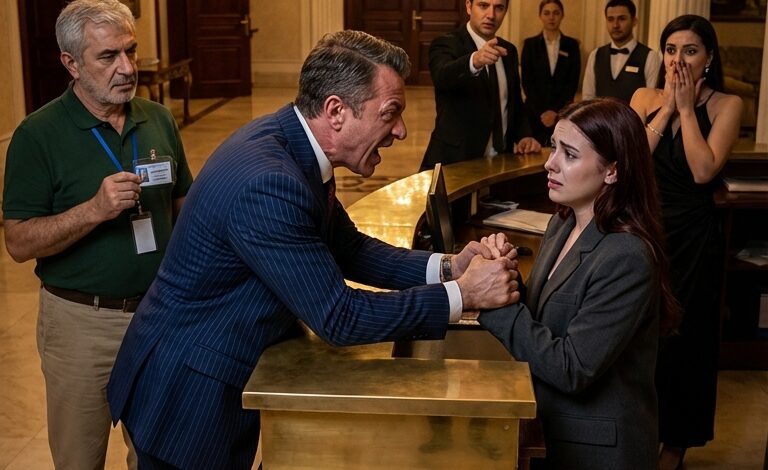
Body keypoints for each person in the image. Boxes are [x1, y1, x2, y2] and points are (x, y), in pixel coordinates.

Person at [107, 30, 521, 470]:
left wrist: (450, 267)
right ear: (336, 111)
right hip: (185, 391)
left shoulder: (295, 144)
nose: (401, 130)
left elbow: (350, 248)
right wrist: (464, 295)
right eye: (390, 113)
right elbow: (339, 317)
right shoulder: (270, 182)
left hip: (206, 370)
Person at [1, 0, 193, 468]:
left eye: (130, 51)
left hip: (157, 315)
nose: (126, 68)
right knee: (80, 457)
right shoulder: (38, 135)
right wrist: (93, 210)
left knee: (156, 453)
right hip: (82, 325)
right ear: (71, 63)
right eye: (108, 56)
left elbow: (182, 205)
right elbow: (18, 242)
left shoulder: (158, 119)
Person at [478, 98, 679, 469]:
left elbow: (573, 368)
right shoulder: (563, 222)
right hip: (552, 428)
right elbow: (543, 315)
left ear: (612, 171)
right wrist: (502, 275)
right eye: (554, 147)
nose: (550, 163)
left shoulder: (627, 255)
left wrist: (493, 301)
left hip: (598, 451)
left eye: (569, 154)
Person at [629, 15, 743, 470]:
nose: (678, 60)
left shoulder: (727, 104)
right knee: (641, 337)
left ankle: (675, 446)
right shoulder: (643, 97)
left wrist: (687, 110)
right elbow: (632, 159)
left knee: (687, 342)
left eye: (690, 51)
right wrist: (667, 108)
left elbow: (702, 170)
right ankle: (637, 434)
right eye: (671, 50)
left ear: (708, 58)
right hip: (644, 231)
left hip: (694, 239)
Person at [420, 0, 541, 172]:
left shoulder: (509, 51)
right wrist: (474, 61)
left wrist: (524, 135)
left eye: (499, 8)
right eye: (483, 6)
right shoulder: (446, 43)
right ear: (469, 7)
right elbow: (442, 76)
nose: (491, 15)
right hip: (455, 161)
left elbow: (514, 101)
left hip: (501, 161)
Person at [521, 0, 581, 146]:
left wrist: (555, 112)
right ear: (540, 16)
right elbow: (527, 82)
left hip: (562, 115)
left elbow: (572, 83)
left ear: (562, 15)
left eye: (556, 13)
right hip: (534, 116)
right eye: (547, 13)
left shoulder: (572, 45)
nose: (551, 17)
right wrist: (542, 112)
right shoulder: (530, 45)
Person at [581, 0, 661, 103]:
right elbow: (587, 99)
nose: (615, 25)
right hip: (599, 114)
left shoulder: (650, 57)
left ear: (634, 21)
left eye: (622, 19)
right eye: (610, 19)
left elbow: (651, 101)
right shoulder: (595, 54)